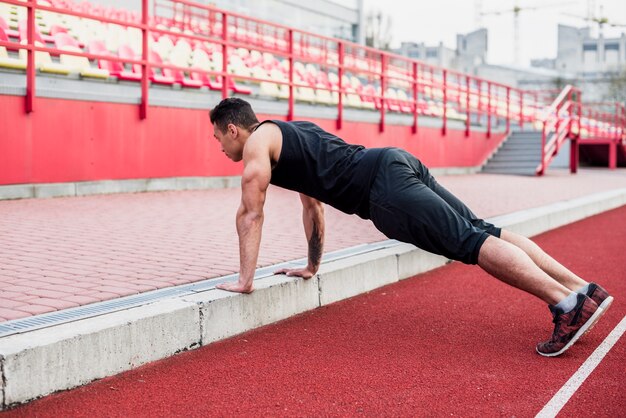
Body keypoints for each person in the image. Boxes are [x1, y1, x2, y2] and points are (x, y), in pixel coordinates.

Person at [209, 97, 613, 357]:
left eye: (218, 139)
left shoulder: (258, 145)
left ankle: (566, 304)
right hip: (395, 161)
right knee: (483, 230)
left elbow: (250, 213)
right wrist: (313, 266)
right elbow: (313, 206)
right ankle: (582, 289)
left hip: (382, 190)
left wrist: (245, 281)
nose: (220, 148)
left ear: (234, 129)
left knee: (470, 242)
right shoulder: (290, 132)